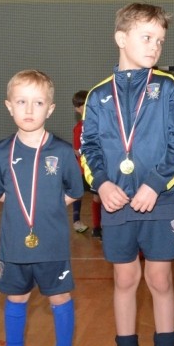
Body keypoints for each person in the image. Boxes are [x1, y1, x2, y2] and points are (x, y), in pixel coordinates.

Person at [80, 3, 174, 346]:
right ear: (121, 38)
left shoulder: (168, 88)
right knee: (125, 277)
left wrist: (155, 184)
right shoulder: (98, 96)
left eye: (160, 40)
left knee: (160, 278)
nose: (155, 46)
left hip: (159, 200)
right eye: (147, 37)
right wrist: (102, 184)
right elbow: (89, 148)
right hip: (116, 202)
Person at [0, 70, 84, 346]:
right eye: (21, 102)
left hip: (52, 243)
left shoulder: (62, 152)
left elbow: (74, 191)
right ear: (9, 106)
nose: (29, 110)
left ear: (50, 109)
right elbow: (0, 194)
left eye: (38, 103)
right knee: (15, 298)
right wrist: (27, 212)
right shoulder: (1, 151)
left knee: (59, 297)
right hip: (14, 243)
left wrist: (49, 209)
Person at [72, 89, 102, 239]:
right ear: (77, 109)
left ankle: (97, 227)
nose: (86, 107)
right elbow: (77, 150)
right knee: (78, 194)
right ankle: (76, 221)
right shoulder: (79, 128)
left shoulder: (99, 123)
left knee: (98, 197)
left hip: (97, 169)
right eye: (83, 105)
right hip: (83, 169)